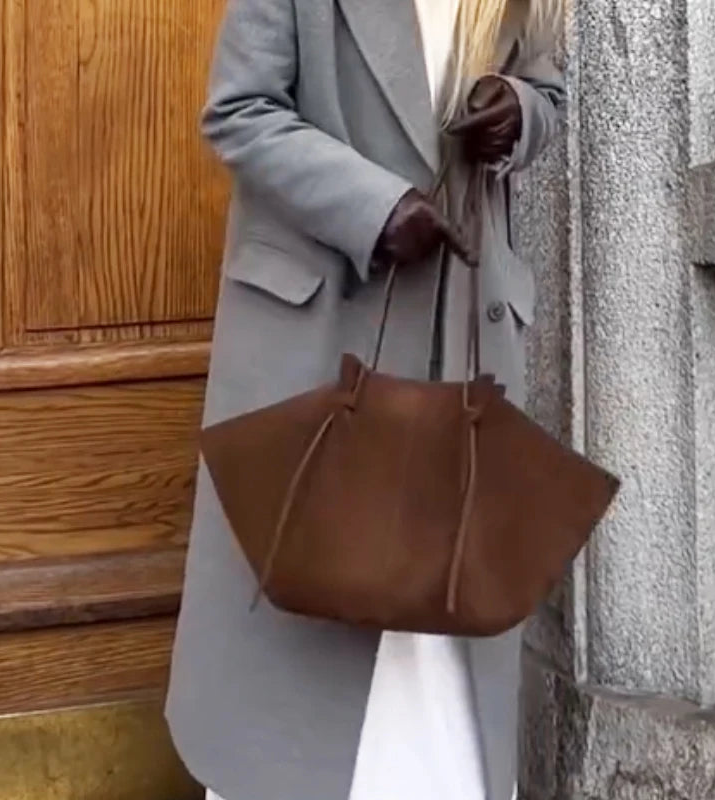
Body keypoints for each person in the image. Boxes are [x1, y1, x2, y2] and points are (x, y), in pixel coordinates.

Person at [166, 1, 565, 799]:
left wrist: (518, 115)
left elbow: (550, 93)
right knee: (308, 628)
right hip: (321, 331)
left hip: (462, 336)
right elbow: (239, 108)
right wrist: (372, 206)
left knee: (446, 601)